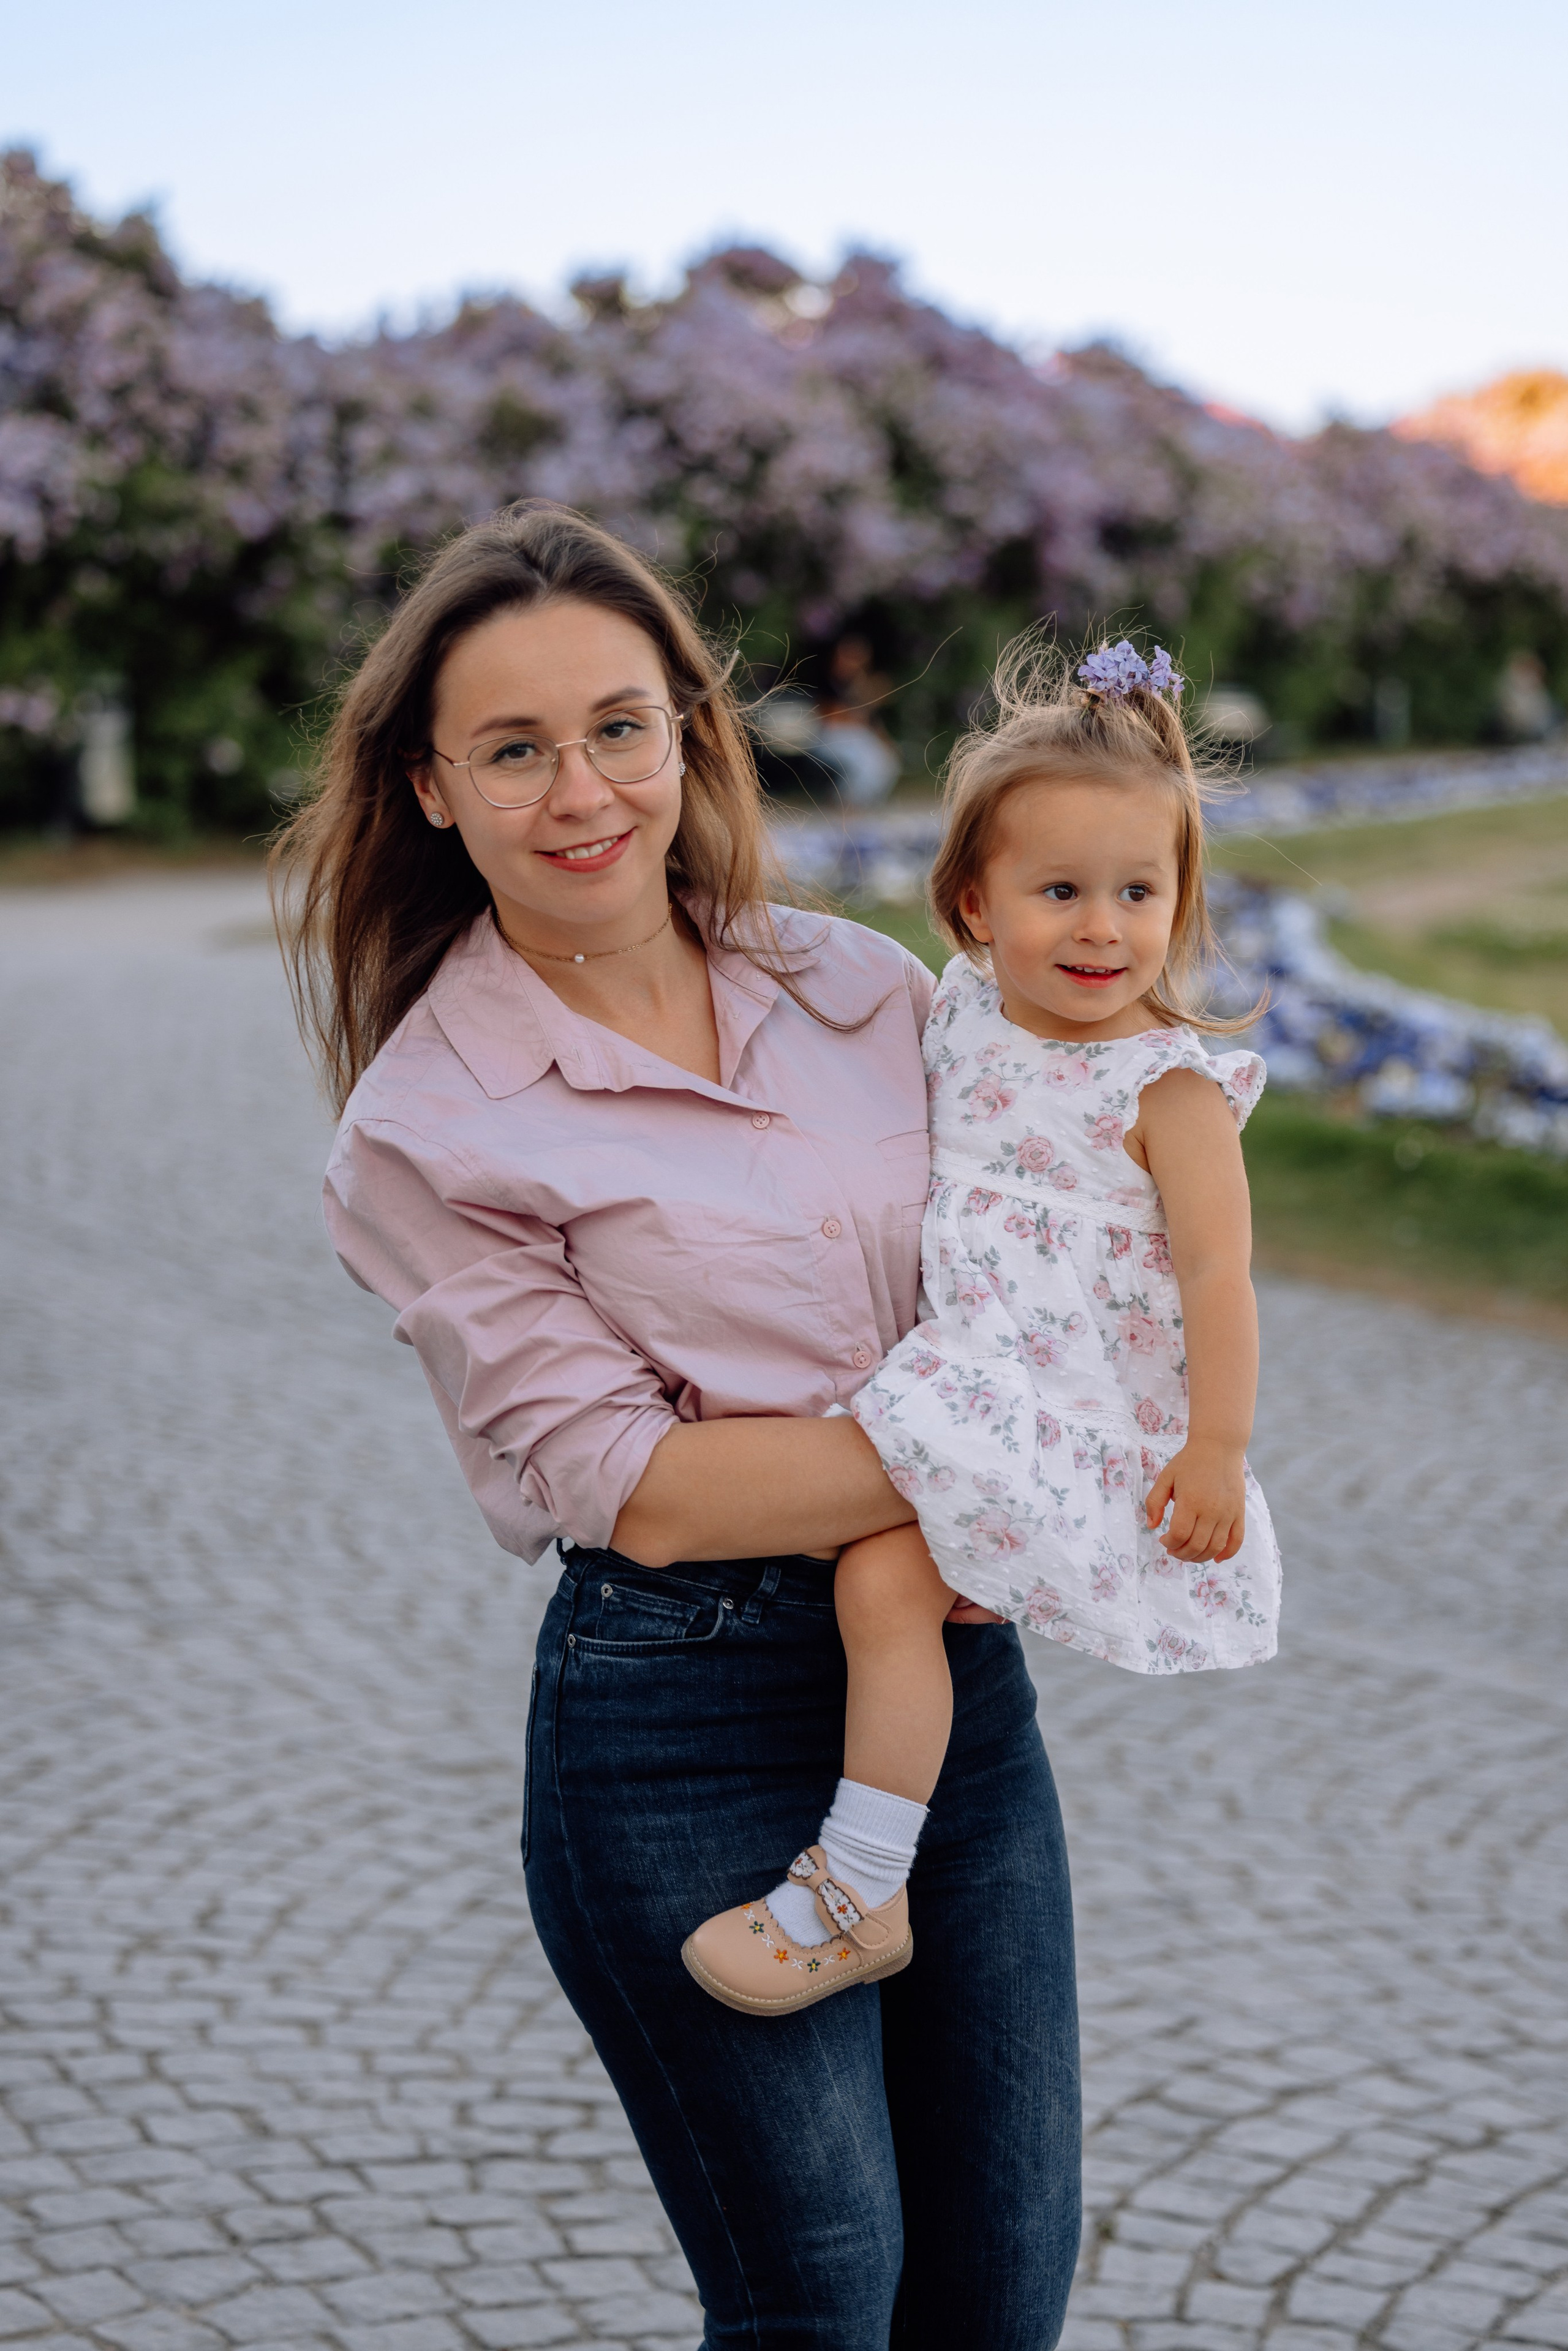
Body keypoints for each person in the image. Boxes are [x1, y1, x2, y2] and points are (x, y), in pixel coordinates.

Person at [271, 504, 1081, 2350]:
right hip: (681, 1723)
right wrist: (1023, 1452)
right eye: (515, 748)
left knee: (1001, 2293)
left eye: (622, 725)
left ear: (691, 734)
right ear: (428, 787)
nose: (584, 790)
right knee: (820, 2301)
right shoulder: (424, 1127)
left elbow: (1037, 1266)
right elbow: (640, 1483)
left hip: (957, 1694)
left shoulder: (861, 985)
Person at [686, 635, 1282, 2013]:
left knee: (881, 1583)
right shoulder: (951, 1014)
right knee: (883, 1581)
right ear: (970, 904)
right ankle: (864, 1873)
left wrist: (1216, 1447)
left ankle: (857, 1885)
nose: (1099, 928)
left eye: (1139, 891)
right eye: (1057, 890)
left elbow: (1216, 1278)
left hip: (1054, 1399)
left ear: (1181, 900)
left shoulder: (1169, 1088)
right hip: (955, 1369)